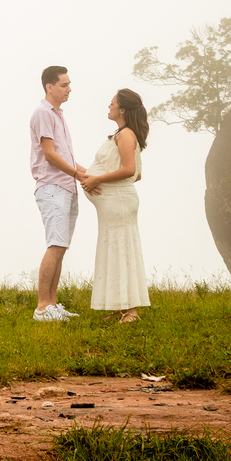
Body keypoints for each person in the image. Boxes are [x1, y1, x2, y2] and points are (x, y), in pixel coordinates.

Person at [81, 88, 151, 323]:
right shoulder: (121, 134)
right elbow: (136, 174)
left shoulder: (126, 135)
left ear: (122, 109)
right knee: (113, 251)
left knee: (123, 250)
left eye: (112, 103)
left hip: (120, 203)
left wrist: (98, 179)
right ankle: (121, 307)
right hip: (114, 204)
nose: (108, 107)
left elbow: (131, 171)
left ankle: (132, 311)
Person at [29, 66, 91, 322]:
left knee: (61, 247)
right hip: (53, 187)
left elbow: (66, 157)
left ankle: (53, 304)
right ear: (49, 87)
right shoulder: (43, 112)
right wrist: (79, 176)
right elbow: (50, 154)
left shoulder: (58, 115)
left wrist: (90, 175)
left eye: (69, 84)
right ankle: (42, 307)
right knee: (55, 245)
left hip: (66, 186)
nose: (69, 89)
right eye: (64, 85)